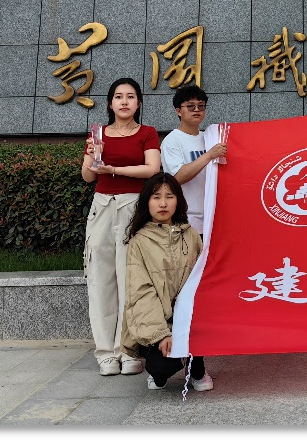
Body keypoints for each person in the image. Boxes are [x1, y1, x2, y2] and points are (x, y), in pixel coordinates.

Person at [80, 77, 161, 377]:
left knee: (131, 280)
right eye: (118, 96)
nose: (124, 101)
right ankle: (105, 353)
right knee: (101, 280)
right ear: (110, 103)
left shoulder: (147, 133)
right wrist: (92, 157)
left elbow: (152, 169)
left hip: (133, 207)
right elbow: (88, 177)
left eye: (130, 96)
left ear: (138, 103)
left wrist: (113, 169)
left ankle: (128, 351)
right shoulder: (98, 134)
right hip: (102, 206)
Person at [121, 172, 213, 392]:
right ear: (147, 202)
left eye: (169, 196)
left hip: (189, 320)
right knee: (161, 369)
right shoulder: (139, 243)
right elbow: (141, 293)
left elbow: (204, 279)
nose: (163, 203)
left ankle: (196, 366)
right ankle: (162, 366)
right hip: (158, 322)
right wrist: (161, 335)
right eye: (156, 197)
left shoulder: (191, 235)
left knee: (196, 362)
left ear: (178, 201)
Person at [160, 85, 227, 236]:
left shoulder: (209, 138)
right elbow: (177, 177)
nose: (197, 110)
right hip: (186, 217)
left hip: (213, 216)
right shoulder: (172, 140)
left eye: (201, 106)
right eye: (190, 106)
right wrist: (209, 155)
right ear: (179, 111)